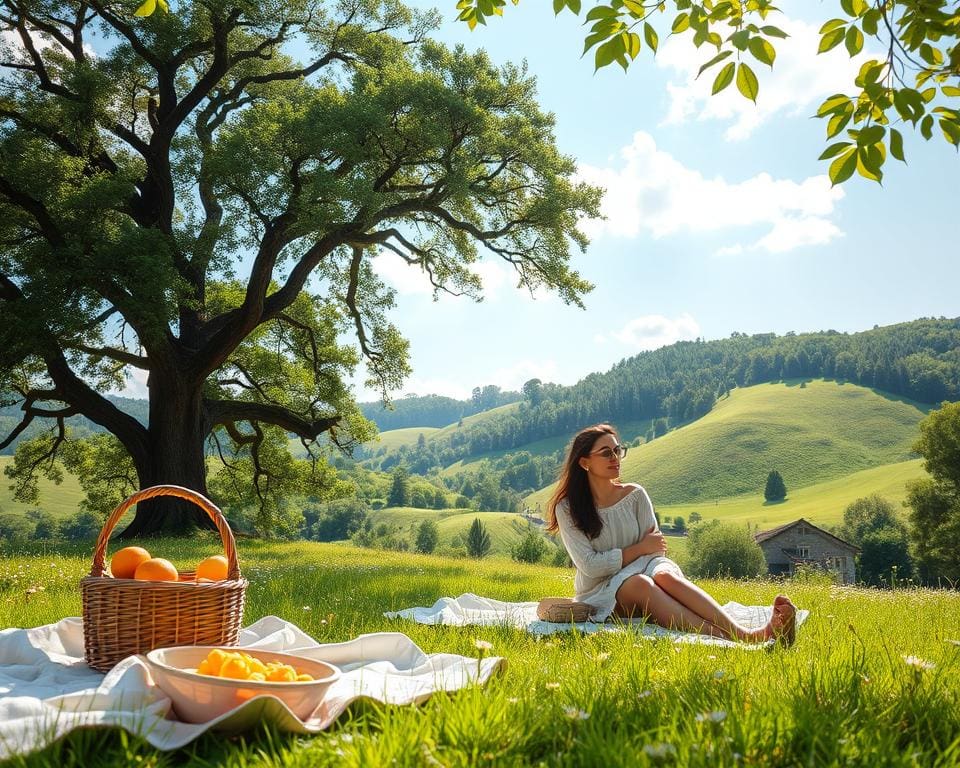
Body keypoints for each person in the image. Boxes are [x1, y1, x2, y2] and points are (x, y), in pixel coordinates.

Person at [546, 423, 797, 645]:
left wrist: (646, 553)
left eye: (617, 450)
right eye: (606, 453)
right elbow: (591, 566)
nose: (615, 457)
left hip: (649, 567)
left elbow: (656, 549)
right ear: (584, 463)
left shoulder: (635, 495)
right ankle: (741, 638)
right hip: (603, 592)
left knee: (664, 575)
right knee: (640, 584)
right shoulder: (567, 508)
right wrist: (639, 548)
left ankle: (746, 632)